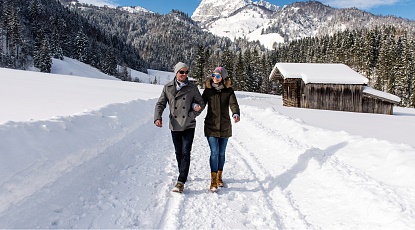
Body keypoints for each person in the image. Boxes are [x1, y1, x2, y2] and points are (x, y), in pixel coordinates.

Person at [154, 62, 205, 193]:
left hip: (188, 124)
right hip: (175, 124)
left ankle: (181, 180)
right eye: (181, 72)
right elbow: (160, 103)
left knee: (186, 151)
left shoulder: (192, 87)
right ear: (176, 72)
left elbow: (201, 103)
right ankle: (182, 172)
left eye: (186, 72)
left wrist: (192, 115)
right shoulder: (168, 87)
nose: (184, 74)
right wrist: (157, 117)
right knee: (178, 152)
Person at [202, 66, 240, 192]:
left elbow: (233, 104)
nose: (214, 78)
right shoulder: (208, 91)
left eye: (217, 76)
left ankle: (219, 177)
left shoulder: (228, 91)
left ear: (222, 77)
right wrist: (194, 109)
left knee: (221, 153)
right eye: (213, 75)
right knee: (214, 152)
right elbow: (201, 103)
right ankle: (213, 180)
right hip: (211, 126)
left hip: (224, 126)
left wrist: (236, 113)